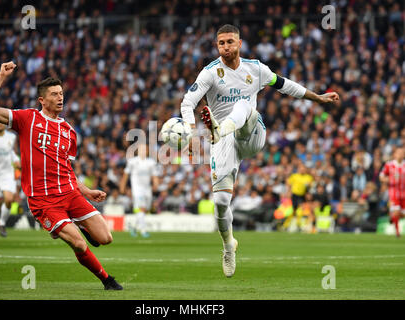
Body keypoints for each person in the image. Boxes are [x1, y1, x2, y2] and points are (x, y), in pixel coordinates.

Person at [180, 24, 339, 278]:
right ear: (217, 45)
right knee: (220, 202)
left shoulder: (256, 69)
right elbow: (187, 102)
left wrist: (317, 97)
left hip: (252, 132)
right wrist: (189, 131)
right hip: (223, 143)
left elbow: (286, 85)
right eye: (221, 43)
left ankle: (220, 127)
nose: (226, 47)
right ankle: (228, 245)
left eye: (230, 42)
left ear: (240, 43)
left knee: (245, 105)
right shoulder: (210, 73)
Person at [0, 61, 123, 290]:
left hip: (70, 193)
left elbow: (68, 169)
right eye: (54, 94)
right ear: (42, 100)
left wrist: (86, 191)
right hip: (43, 200)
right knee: (77, 243)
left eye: (62, 93)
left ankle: (75, 227)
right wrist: (1, 77)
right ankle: (107, 280)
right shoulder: (27, 119)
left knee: (106, 238)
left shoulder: (69, 131)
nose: (60, 97)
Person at [119, 143, 159, 237]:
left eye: (145, 149)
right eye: (141, 149)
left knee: (145, 209)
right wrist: (122, 186)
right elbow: (125, 174)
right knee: (141, 207)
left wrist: (156, 184)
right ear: (138, 151)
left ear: (148, 151)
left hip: (147, 188)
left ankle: (133, 227)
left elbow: (154, 175)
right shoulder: (132, 161)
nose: (143, 151)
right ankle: (143, 230)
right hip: (137, 189)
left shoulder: (151, 162)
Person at [379, 147, 405, 237]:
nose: (400, 155)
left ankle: (392, 217)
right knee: (396, 211)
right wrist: (387, 179)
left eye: (402, 153)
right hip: (394, 193)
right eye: (398, 153)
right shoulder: (389, 165)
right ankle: (397, 233)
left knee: (401, 214)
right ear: (395, 154)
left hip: (404, 193)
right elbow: (381, 176)